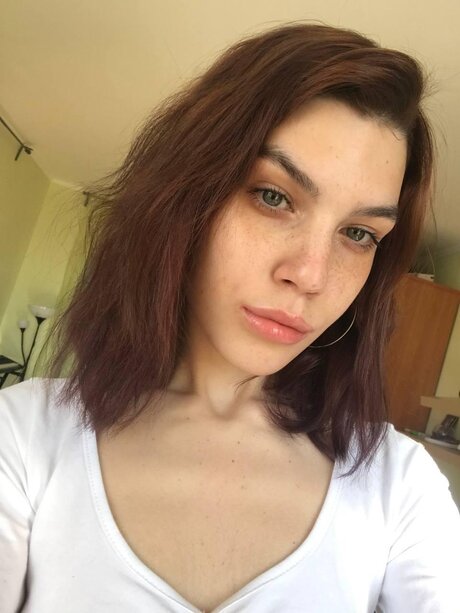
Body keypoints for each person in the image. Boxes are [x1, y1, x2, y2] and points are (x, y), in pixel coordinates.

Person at [0, 22, 459, 613]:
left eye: (357, 234)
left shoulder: (399, 486)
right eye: (273, 196)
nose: (311, 275)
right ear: (182, 198)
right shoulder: (24, 436)